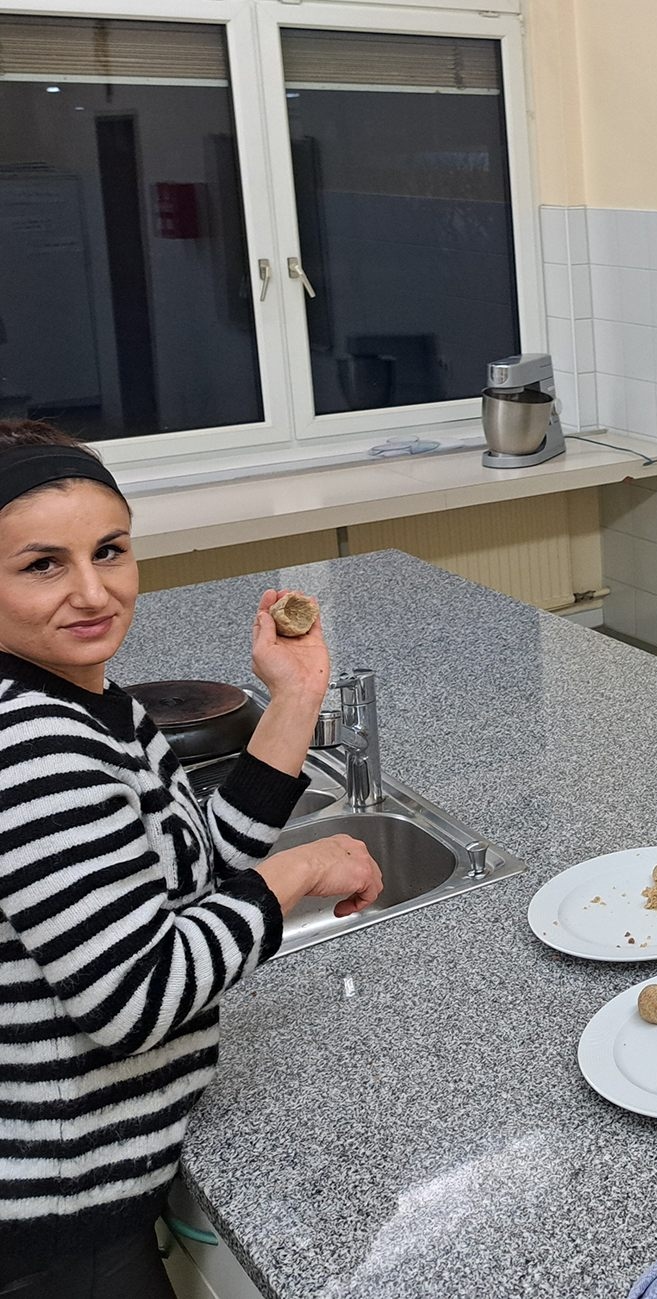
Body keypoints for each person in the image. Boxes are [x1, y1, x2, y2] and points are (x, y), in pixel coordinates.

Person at [0, 421, 384, 1295]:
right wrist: (296, 873)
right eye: (41, 565)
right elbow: (135, 997)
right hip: (62, 1223)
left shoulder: (86, 699)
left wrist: (294, 697)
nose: (94, 592)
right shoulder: (33, 744)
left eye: (110, 550)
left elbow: (188, 867)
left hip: (96, 1181)